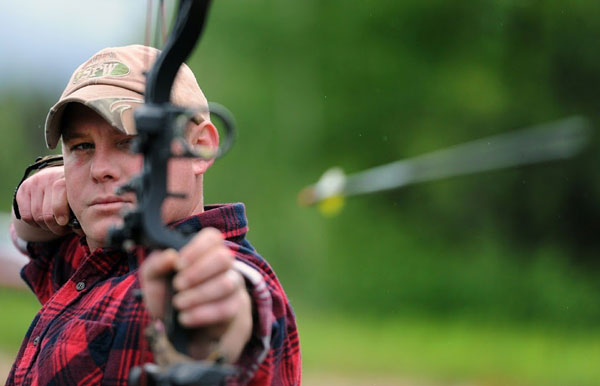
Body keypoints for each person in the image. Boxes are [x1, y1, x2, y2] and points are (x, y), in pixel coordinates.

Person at [7, 45, 301, 385]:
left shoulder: (228, 273)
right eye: (81, 147)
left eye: (131, 142)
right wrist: (36, 190)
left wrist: (214, 326)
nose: (100, 169)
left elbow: (244, 303)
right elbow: (27, 238)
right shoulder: (96, 258)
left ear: (200, 147)